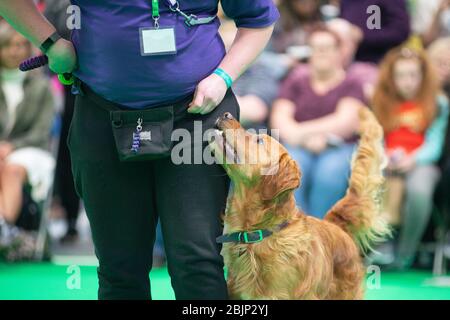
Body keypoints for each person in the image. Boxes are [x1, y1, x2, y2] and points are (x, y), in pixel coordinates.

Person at [0, 0, 279, 300]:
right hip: (102, 114)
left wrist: (223, 77)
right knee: (120, 270)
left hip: (196, 117)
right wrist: (51, 43)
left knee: (197, 263)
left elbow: (258, 19)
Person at [271, 27, 366, 219]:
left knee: (329, 175)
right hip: (300, 146)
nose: (321, 52)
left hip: (340, 147)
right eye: (316, 47)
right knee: (291, 171)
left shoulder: (352, 83)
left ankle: (322, 232)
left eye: (327, 47)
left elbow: (346, 122)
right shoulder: (295, 81)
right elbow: (279, 120)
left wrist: (302, 132)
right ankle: (297, 230)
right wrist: (305, 139)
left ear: (340, 52)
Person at [372, 46, 449, 270]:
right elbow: (375, 138)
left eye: (413, 75)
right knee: (374, 183)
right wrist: (385, 157)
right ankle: (382, 246)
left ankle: (405, 253)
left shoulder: (438, 103)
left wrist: (412, 160)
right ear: (391, 77)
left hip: (421, 164)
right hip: (387, 162)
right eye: (401, 76)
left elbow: (434, 142)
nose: (407, 82)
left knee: (418, 191)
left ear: (423, 76)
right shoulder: (380, 102)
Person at [0, 21, 55, 226]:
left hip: (32, 150)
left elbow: (41, 132)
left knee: (12, 169)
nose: (14, 51)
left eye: (20, 45)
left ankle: (4, 227)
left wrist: (11, 146)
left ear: (28, 48)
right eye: (8, 45)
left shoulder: (42, 87)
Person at [340, 0, 411, 64]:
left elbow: (400, 31)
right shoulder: (347, 2)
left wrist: (363, 35)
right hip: (348, 64)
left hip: (380, 63)